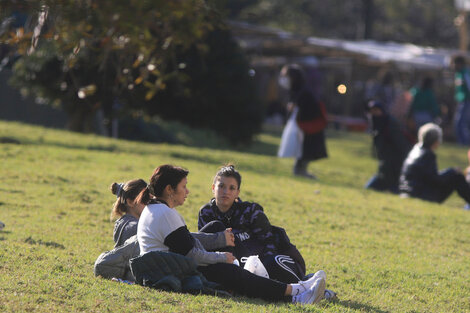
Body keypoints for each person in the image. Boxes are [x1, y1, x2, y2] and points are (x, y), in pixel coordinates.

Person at [135, 164, 327, 304]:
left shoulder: (155, 210)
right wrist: (221, 257)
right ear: (170, 190)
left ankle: (295, 289)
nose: (187, 191)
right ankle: (297, 293)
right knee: (234, 273)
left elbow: (186, 240)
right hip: (172, 270)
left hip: (168, 266)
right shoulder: (166, 214)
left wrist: (220, 241)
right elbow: (191, 255)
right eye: (183, 186)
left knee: (220, 242)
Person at [198, 165, 337, 299]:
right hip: (232, 264)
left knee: (273, 262)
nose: (225, 191)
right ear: (213, 188)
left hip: (262, 260)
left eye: (231, 188)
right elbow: (206, 245)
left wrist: (260, 267)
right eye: (221, 186)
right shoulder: (206, 212)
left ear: (237, 192)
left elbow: (269, 242)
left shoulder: (250, 211)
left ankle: (312, 287)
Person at [399, 123, 470, 207]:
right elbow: (436, 180)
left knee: (454, 174)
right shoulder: (428, 155)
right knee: (456, 176)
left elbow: (430, 177)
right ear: (436, 141)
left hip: (407, 192)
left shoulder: (415, 150)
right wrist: (452, 171)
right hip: (421, 195)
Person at [278, 64, 328, 179]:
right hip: (304, 129)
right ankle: (303, 174)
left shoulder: (304, 92)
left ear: (293, 77)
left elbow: (310, 111)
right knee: (300, 160)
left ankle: (306, 175)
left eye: (285, 75)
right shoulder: (297, 91)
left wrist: (295, 107)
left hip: (309, 129)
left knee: (303, 158)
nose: (282, 78)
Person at [365, 101, 412, 193]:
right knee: (369, 188)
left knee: (395, 189)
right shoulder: (376, 124)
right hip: (385, 167)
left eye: (376, 110)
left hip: (395, 167)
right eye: (371, 111)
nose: (373, 113)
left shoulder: (390, 124)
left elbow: (401, 145)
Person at [110, 179, 147, 247]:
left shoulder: (121, 222)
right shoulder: (135, 227)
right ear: (130, 202)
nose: (149, 203)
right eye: (145, 199)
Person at [453, 56, 470, 145]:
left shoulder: (465, 72)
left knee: (462, 123)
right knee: (459, 123)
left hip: (467, 101)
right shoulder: (459, 73)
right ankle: (462, 143)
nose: (453, 66)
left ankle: (465, 143)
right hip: (462, 101)